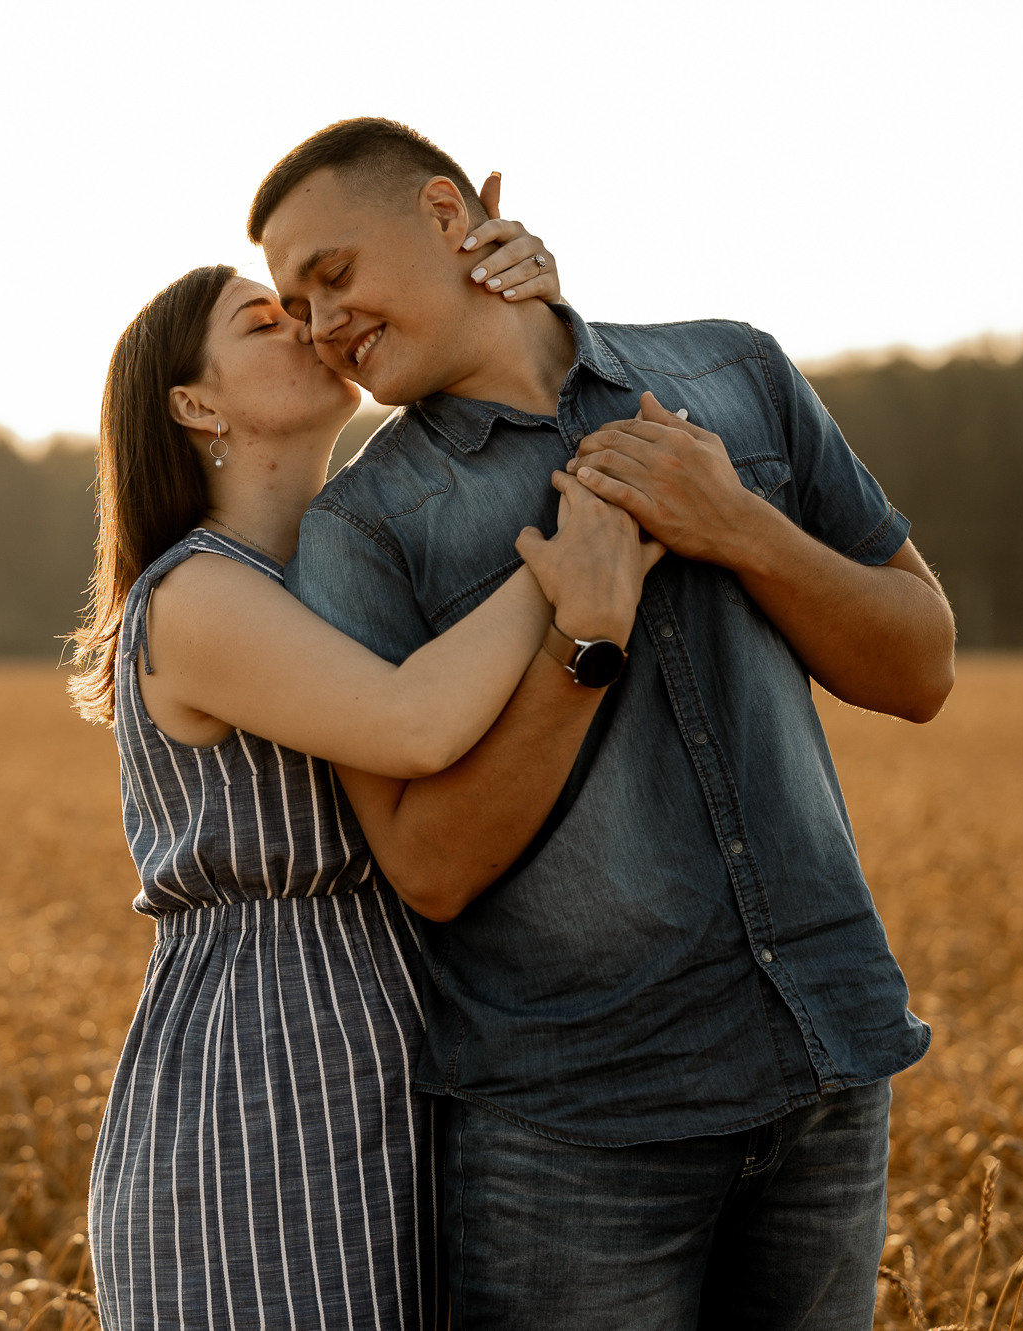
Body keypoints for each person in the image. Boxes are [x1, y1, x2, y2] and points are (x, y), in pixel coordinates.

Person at [250, 117, 957, 1328]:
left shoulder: (733, 372)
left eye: (332, 277)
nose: (321, 327)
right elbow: (424, 865)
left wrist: (736, 527)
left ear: (442, 215)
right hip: (571, 1128)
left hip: (825, 1061)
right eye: (292, 304)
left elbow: (919, 663)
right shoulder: (362, 528)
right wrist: (576, 647)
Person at [71, 195, 664, 1330]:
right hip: (258, 1071)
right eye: (263, 321)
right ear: (195, 405)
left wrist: (495, 291)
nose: (309, 326)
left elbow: (492, 382)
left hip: (399, 1045)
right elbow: (411, 725)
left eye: (306, 307)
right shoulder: (193, 595)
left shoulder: (356, 561)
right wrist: (573, 552)